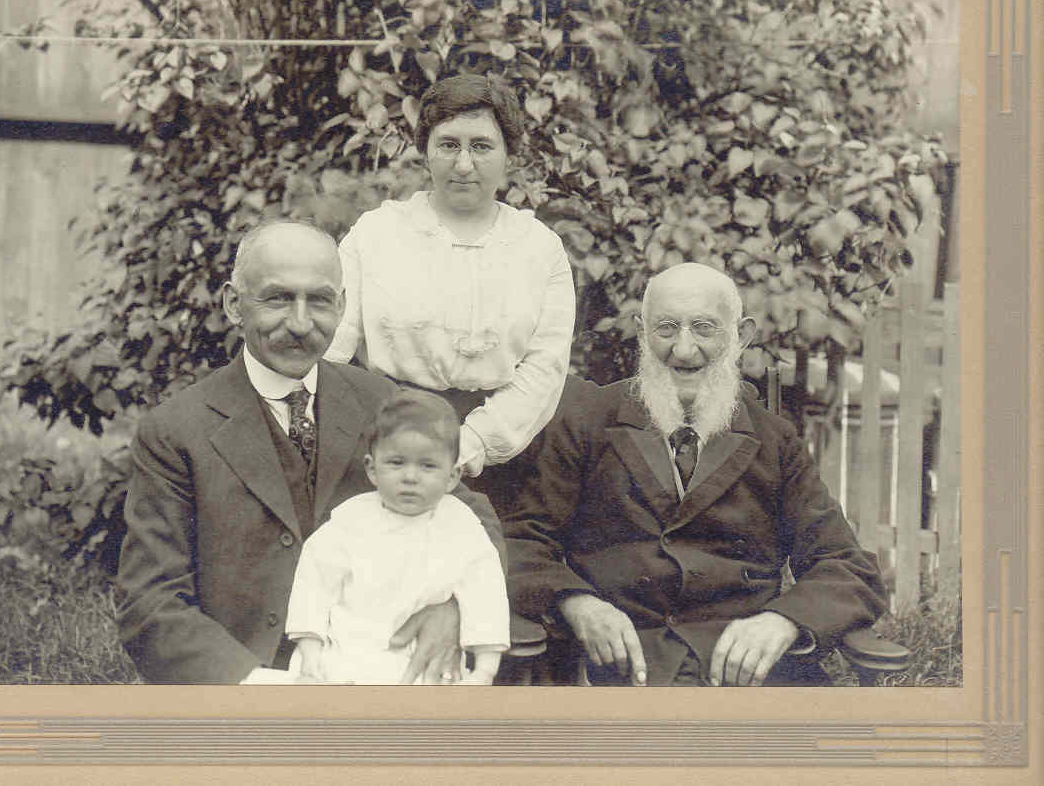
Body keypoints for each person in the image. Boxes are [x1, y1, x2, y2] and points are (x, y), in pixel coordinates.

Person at [115, 220, 504, 684]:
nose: (301, 324)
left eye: (319, 300)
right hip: (244, 690)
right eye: (278, 298)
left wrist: (457, 609)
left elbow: (474, 519)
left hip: (378, 672)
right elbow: (150, 602)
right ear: (232, 305)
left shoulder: (380, 401)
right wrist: (262, 686)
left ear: (341, 307)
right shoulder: (177, 430)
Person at [504, 262, 888, 687]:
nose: (683, 350)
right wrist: (577, 603)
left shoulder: (776, 441)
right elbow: (521, 543)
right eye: (666, 328)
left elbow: (846, 565)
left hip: (744, 676)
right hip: (610, 670)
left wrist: (783, 621)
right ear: (641, 330)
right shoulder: (586, 422)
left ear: (741, 336)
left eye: (704, 328)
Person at [325, 74, 576, 509]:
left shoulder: (540, 248)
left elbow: (544, 369)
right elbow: (330, 344)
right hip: (386, 446)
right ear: (425, 150)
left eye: (481, 146)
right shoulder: (377, 234)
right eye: (448, 145)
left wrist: (470, 444)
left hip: (502, 460)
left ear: (509, 155)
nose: (463, 165)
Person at [285, 389, 509, 685]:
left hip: (421, 662)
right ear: (372, 468)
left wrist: (485, 669)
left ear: (452, 476)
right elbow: (314, 585)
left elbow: (486, 593)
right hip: (344, 655)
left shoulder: (462, 527)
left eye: (428, 466)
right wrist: (310, 650)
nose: (410, 477)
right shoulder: (349, 522)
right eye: (396, 463)